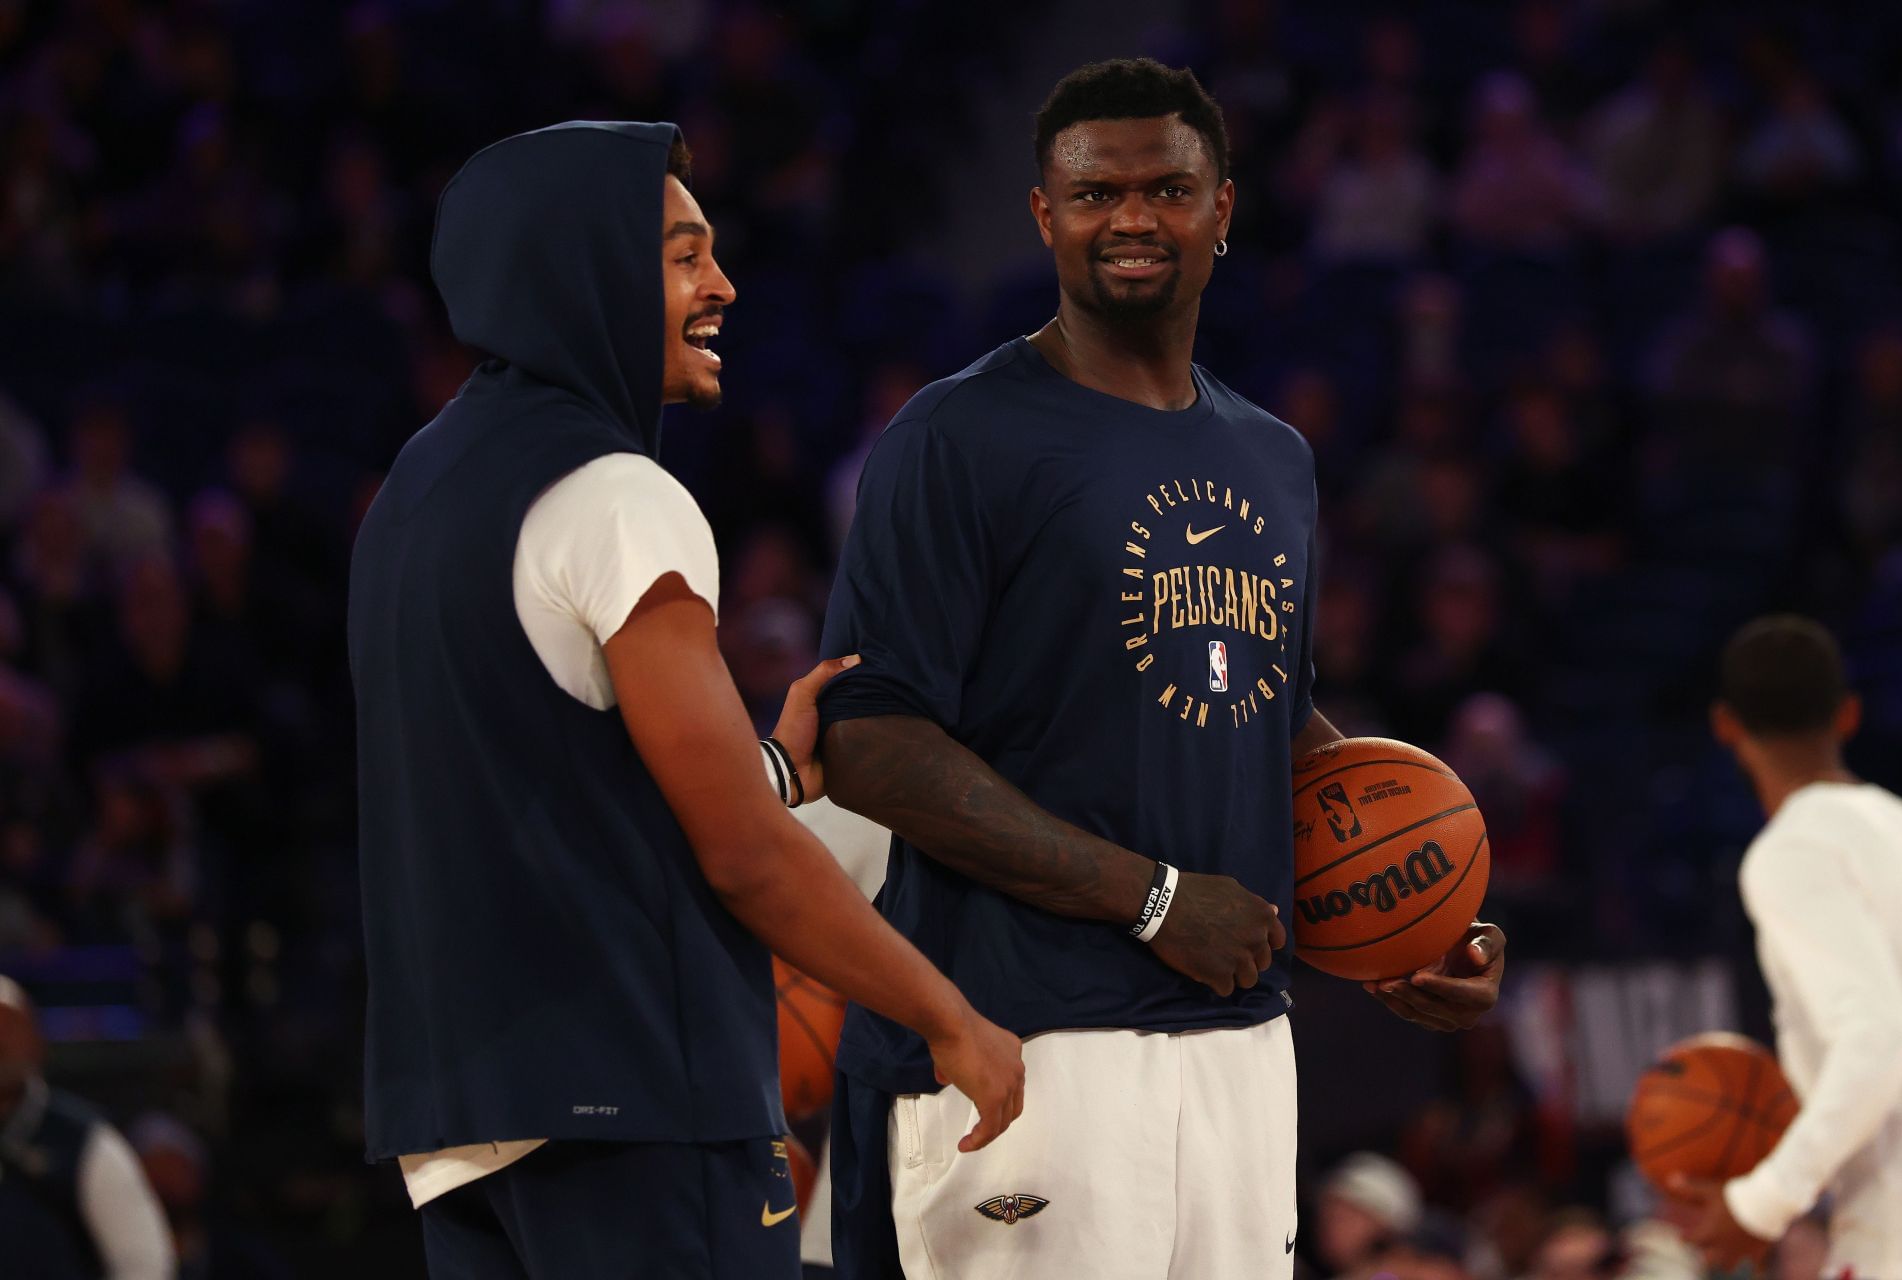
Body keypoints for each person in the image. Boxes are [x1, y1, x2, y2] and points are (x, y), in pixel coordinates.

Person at [817, 60, 1505, 1279]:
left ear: (1224, 209)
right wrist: (1151, 895)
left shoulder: (1273, 455)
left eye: (1168, 189)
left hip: (1243, 1041)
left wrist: (1401, 916)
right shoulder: (957, 434)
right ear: (1044, 215)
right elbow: (870, 737)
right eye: (1096, 194)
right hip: (1029, 1037)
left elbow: (1268, 718)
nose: (1132, 219)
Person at [348, 121, 1023, 1280]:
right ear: (586, 274)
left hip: (462, 1120)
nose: (724, 283)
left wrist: (771, 769)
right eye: (681, 255)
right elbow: (745, 858)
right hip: (638, 1095)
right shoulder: (617, 493)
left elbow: (552, 782)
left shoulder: (413, 494)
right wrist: (947, 1015)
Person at [1675, 615, 1902, 1276]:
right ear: (1848, 715)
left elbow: (1881, 1037)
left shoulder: (1792, 849)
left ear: (1725, 724)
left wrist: (1761, 1202)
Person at [0, 975, 174, 1280]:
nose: (0, 1041)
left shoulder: (82, 1138)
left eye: (9, 1026)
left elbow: (143, 1262)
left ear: (35, 1039)